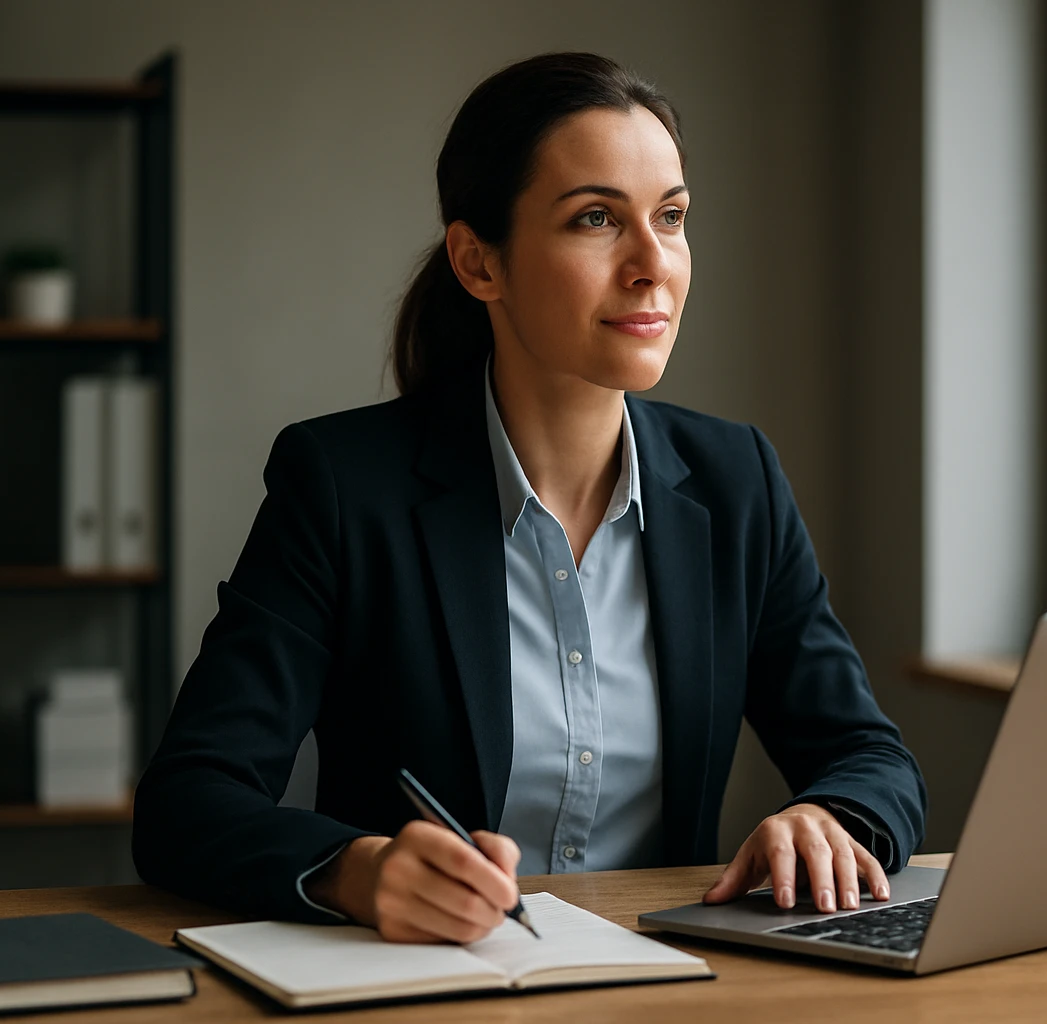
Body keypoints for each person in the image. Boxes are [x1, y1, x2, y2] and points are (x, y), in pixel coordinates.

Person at [132, 51, 925, 945]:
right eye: (596, 219)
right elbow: (187, 800)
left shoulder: (735, 479)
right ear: (479, 263)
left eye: (671, 217)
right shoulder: (342, 484)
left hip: (666, 984)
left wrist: (831, 816)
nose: (651, 264)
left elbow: (870, 757)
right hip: (425, 984)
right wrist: (359, 870)